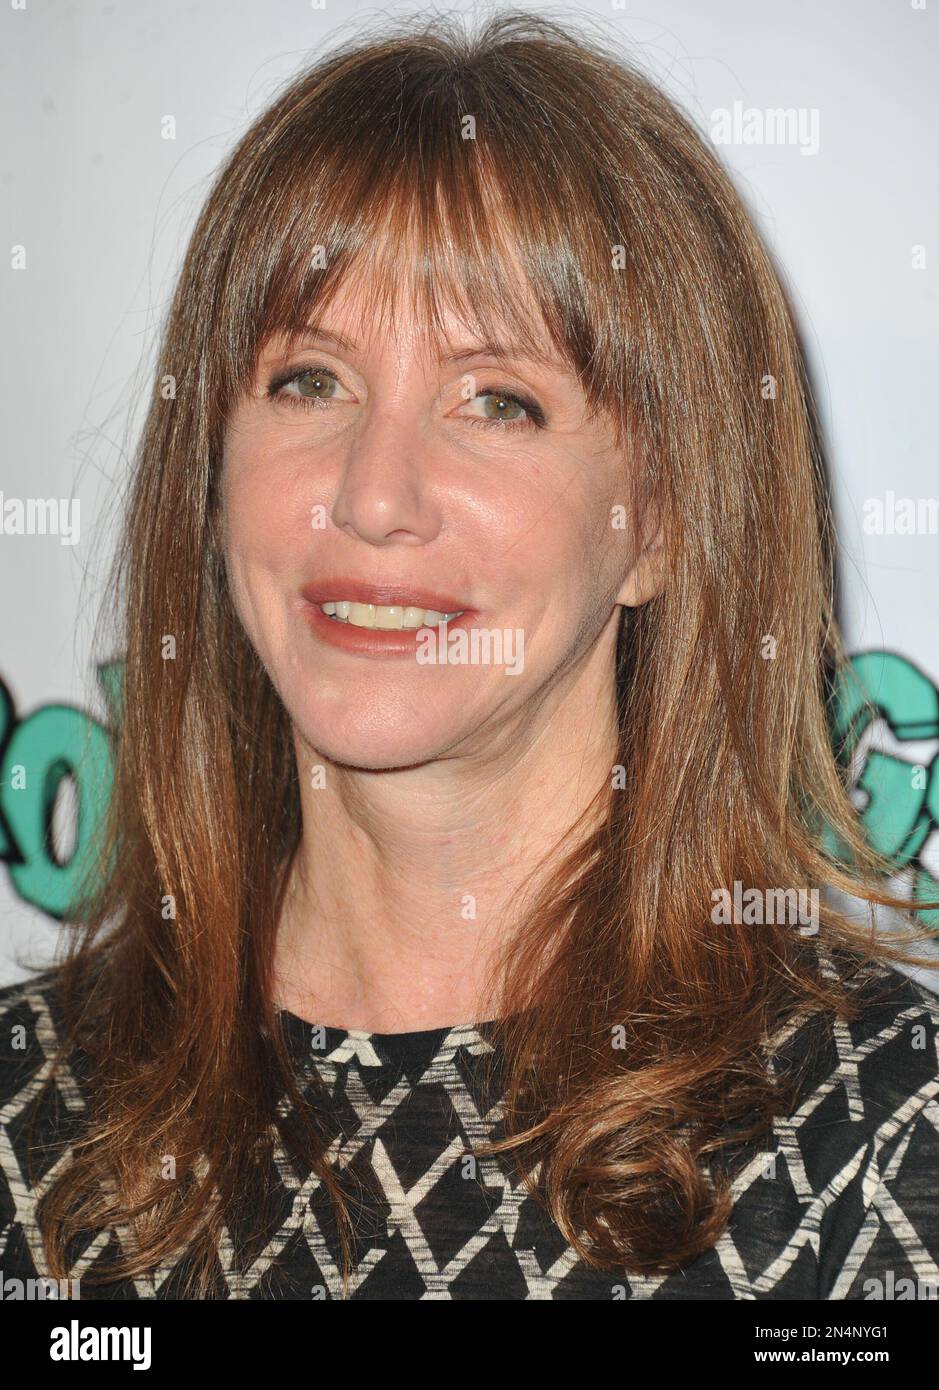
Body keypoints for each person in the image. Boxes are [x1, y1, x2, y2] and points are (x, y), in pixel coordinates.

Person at [1, 10, 937, 1302]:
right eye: (308, 381)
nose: (376, 495)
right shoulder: (30, 1112)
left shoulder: (881, 1136)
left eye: (499, 399)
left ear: (661, 519)